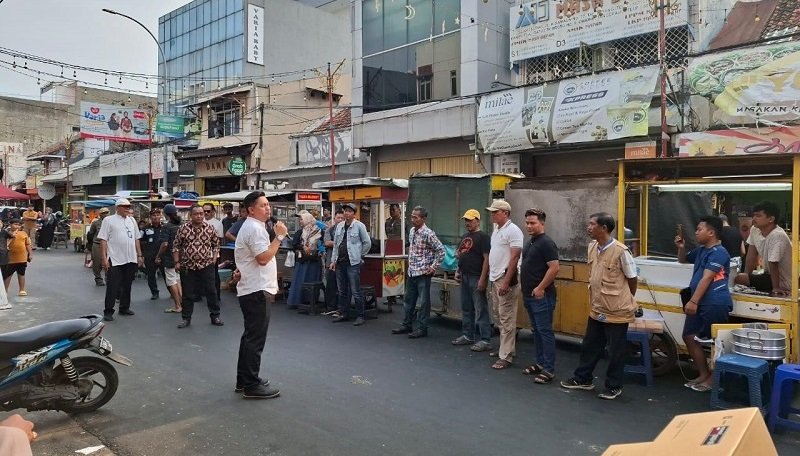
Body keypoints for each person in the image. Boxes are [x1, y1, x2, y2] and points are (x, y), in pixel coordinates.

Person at [561, 212, 638, 400]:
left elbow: (632, 278)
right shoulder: (593, 247)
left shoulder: (621, 251)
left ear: (604, 228)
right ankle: (583, 379)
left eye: (592, 224)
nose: (588, 227)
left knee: (616, 351)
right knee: (590, 345)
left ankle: (614, 386)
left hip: (617, 310)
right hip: (597, 307)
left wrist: (625, 298)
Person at [234, 191, 288, 399]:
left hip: (253, 287)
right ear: (251, 209)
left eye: (268, 205)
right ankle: (250, 384)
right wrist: (280, 237)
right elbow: (263, 258)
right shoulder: (255, 229)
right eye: (263, 205)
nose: (268, 208)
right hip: (256, 289)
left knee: (250, 337)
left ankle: (244, 379)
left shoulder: (255, 227)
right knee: (255, 339)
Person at [676, 216, 733, 392]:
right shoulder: (702, 250)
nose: (696, 232)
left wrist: (693, 300)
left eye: (699, 229)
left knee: (716, 343)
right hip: (699, 302)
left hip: (714, 303)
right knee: (689, 336)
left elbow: (707, 278)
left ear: (711, 232)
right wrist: (681, 248)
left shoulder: (719, 252)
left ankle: (714, 380)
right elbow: (683, 259)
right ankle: (703, 373)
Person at [519, 208, 559, 384]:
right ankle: (540, 363)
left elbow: (554, 267)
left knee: (545, 331)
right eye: (527, 222)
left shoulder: (546, 243)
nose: (529, 226)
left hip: (542, 296)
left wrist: (541, 287)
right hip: (529, 295)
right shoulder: (530, 243)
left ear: (542, 223)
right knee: (536, 331)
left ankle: (549, 369)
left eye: (533, 223)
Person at [392, 206, 445, 339]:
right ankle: (407, 324)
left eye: (416, 217)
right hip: (412, 272)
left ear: (423, 218)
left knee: (424, 302)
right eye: (412, 216)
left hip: (423, 273)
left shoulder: (428, 233)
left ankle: (422, 328)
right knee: (408, 301)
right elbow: (412, 248)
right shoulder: (412, 231)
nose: (413, 219)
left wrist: (433, 267)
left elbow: (441, 251)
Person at [485, 200, 523, 370]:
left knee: (506, 316)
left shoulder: (513, 230)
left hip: (505, 277)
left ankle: (506, 356)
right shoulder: (497, 230)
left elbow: (515, 257)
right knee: (498, 315)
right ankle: (505, 348)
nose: (492, 214)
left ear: (505, 213)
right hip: (496, 277)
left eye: (495, 212)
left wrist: (507, 281)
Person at [173, 204, 222, 328]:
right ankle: (186, 318)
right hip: (188, 266)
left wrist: (214, 259)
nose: (200, 216)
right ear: (191, 215)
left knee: (211, 291)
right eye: (196, 214)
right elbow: (176, 246)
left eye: (201, 213)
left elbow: (216, 245)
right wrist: (177, 262)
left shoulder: (210, 228)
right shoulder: (183, 228)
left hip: (206, 265)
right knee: (188, 294)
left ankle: (215, 316)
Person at [98, 199, 143, 321]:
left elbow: (137, 239)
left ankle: (124, 307)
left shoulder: (132, 220)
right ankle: (108, 311)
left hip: (130, 258)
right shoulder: (109, 220)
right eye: (125, 206)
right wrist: (104, 258)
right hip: (115, 258)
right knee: (113, 285)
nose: (128, 208)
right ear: (118, 207)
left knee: (127, 285)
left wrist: (139, 255)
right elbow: (103, 240)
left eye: (129, 206)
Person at [453, 209, 492, 351]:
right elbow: (461, 254)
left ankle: (485, 339)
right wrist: (458, 271)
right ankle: (467, 335)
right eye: (466, 220)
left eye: (470, 220)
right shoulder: (465, 236)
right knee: (466, 308)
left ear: (477, 220)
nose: (467, 223)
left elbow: (487, 259)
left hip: (476, 276)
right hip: (465, 275)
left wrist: (483, 278)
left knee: (481, 308)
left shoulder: (483, 237)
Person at [734, 201, 792, 296]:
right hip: (767, 275)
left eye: (758, 216)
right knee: (741, 278)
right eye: (754, 215)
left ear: (771, 219)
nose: (754, 219)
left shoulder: (778, 235)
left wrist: (776, 288)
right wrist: (746, 276)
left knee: (740, 278)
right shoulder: (754, 230)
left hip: (782, 281)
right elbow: (751, 256)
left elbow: (773, 264)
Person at [330, 202, 371, 326]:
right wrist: (333, 261)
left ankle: (360, 315)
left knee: (355, 290)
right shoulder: (340, 226)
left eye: (349, 211)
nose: (346, 213)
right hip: (340, 262)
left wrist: (360, 256)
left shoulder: (359, 226)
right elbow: (336, 245)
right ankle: (343, 313)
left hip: (353, 263)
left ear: (354, 213)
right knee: (342, 290)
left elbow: (367, 243)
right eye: (345, 211)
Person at [286, 210, 324, 309]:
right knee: (300, 280)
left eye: (301, 219)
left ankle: (310, 300)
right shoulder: (300, 232)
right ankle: (298, 301)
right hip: (302, 261)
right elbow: (294, 244)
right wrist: (303, 247)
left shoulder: (319, 231)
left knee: (311, 281)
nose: (300, 221)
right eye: (300, 219)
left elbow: (322, 243)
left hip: (314, 261)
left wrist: (318, 250)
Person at [158, 204, 183, 313]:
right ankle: (182, 303)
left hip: (170, 258)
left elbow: (164, 244)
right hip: (181, 257)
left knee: (171, 281)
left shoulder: (167, 227)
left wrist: (158, 256)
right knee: (178, 280)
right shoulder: (182, 225)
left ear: (165, 214)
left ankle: (177, 305)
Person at [142, 208, 166, 300]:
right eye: (153, 215)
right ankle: (155, 292)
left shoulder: (164, 227)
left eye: (157, 215)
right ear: (150, 217)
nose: (156, 217)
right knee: (151, 276)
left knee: (166, 275)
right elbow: (141, 241)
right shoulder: (145, 228)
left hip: (163, 255)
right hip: (150, 255)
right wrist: (142, 255)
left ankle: (172, 292)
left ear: (160, 216)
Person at [3, 219, 31, 296]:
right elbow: (5, 244)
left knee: (21, 274)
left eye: (19, 225)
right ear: (10, 225)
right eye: (15, 224)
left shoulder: (24, 233)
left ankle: (22, 289)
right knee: (8, 275)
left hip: (22, 258)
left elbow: (27, 244)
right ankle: (5, 291)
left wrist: (30, 254)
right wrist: (12, 236)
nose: (17, 226)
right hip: (10, 259)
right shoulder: (6, 233)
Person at [323, 209, 344, 313]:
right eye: (338, 218)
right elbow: (327, 243)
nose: (340, 220)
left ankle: (341, 307)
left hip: (343, 262)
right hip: (330, 261)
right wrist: (339, 243)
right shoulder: (329, 230)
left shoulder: (346, 230)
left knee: (342, 287)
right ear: (334, 218)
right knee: (330, 285)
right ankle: (330, 306)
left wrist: (334, 243)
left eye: (342, 218)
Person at [203, 203, 225, 301]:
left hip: (212, 253)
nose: (206, 213)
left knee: (214, 275)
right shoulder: (200, 221)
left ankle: (216, 296)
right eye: (204, 211)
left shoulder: (217, 223)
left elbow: (220, 238)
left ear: (213, 212)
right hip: (199, 253)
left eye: (208, 211)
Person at [87, 208, 110, 286]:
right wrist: (90, 245)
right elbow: (90, 234)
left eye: (107, 212)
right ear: (100, 214)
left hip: (108, 245)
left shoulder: (111, 223)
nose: (106, 214)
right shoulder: (95, 223)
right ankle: (98, 278)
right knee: (97, 262)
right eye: (104, 213)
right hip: (97, 244)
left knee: (109, 262)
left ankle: (108, 277)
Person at [0, 221, 13, 310]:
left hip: (3, 255)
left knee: (4, 275)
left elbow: (12, 236)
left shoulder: (4, 232)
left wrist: (7, 245)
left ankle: (3, 294)